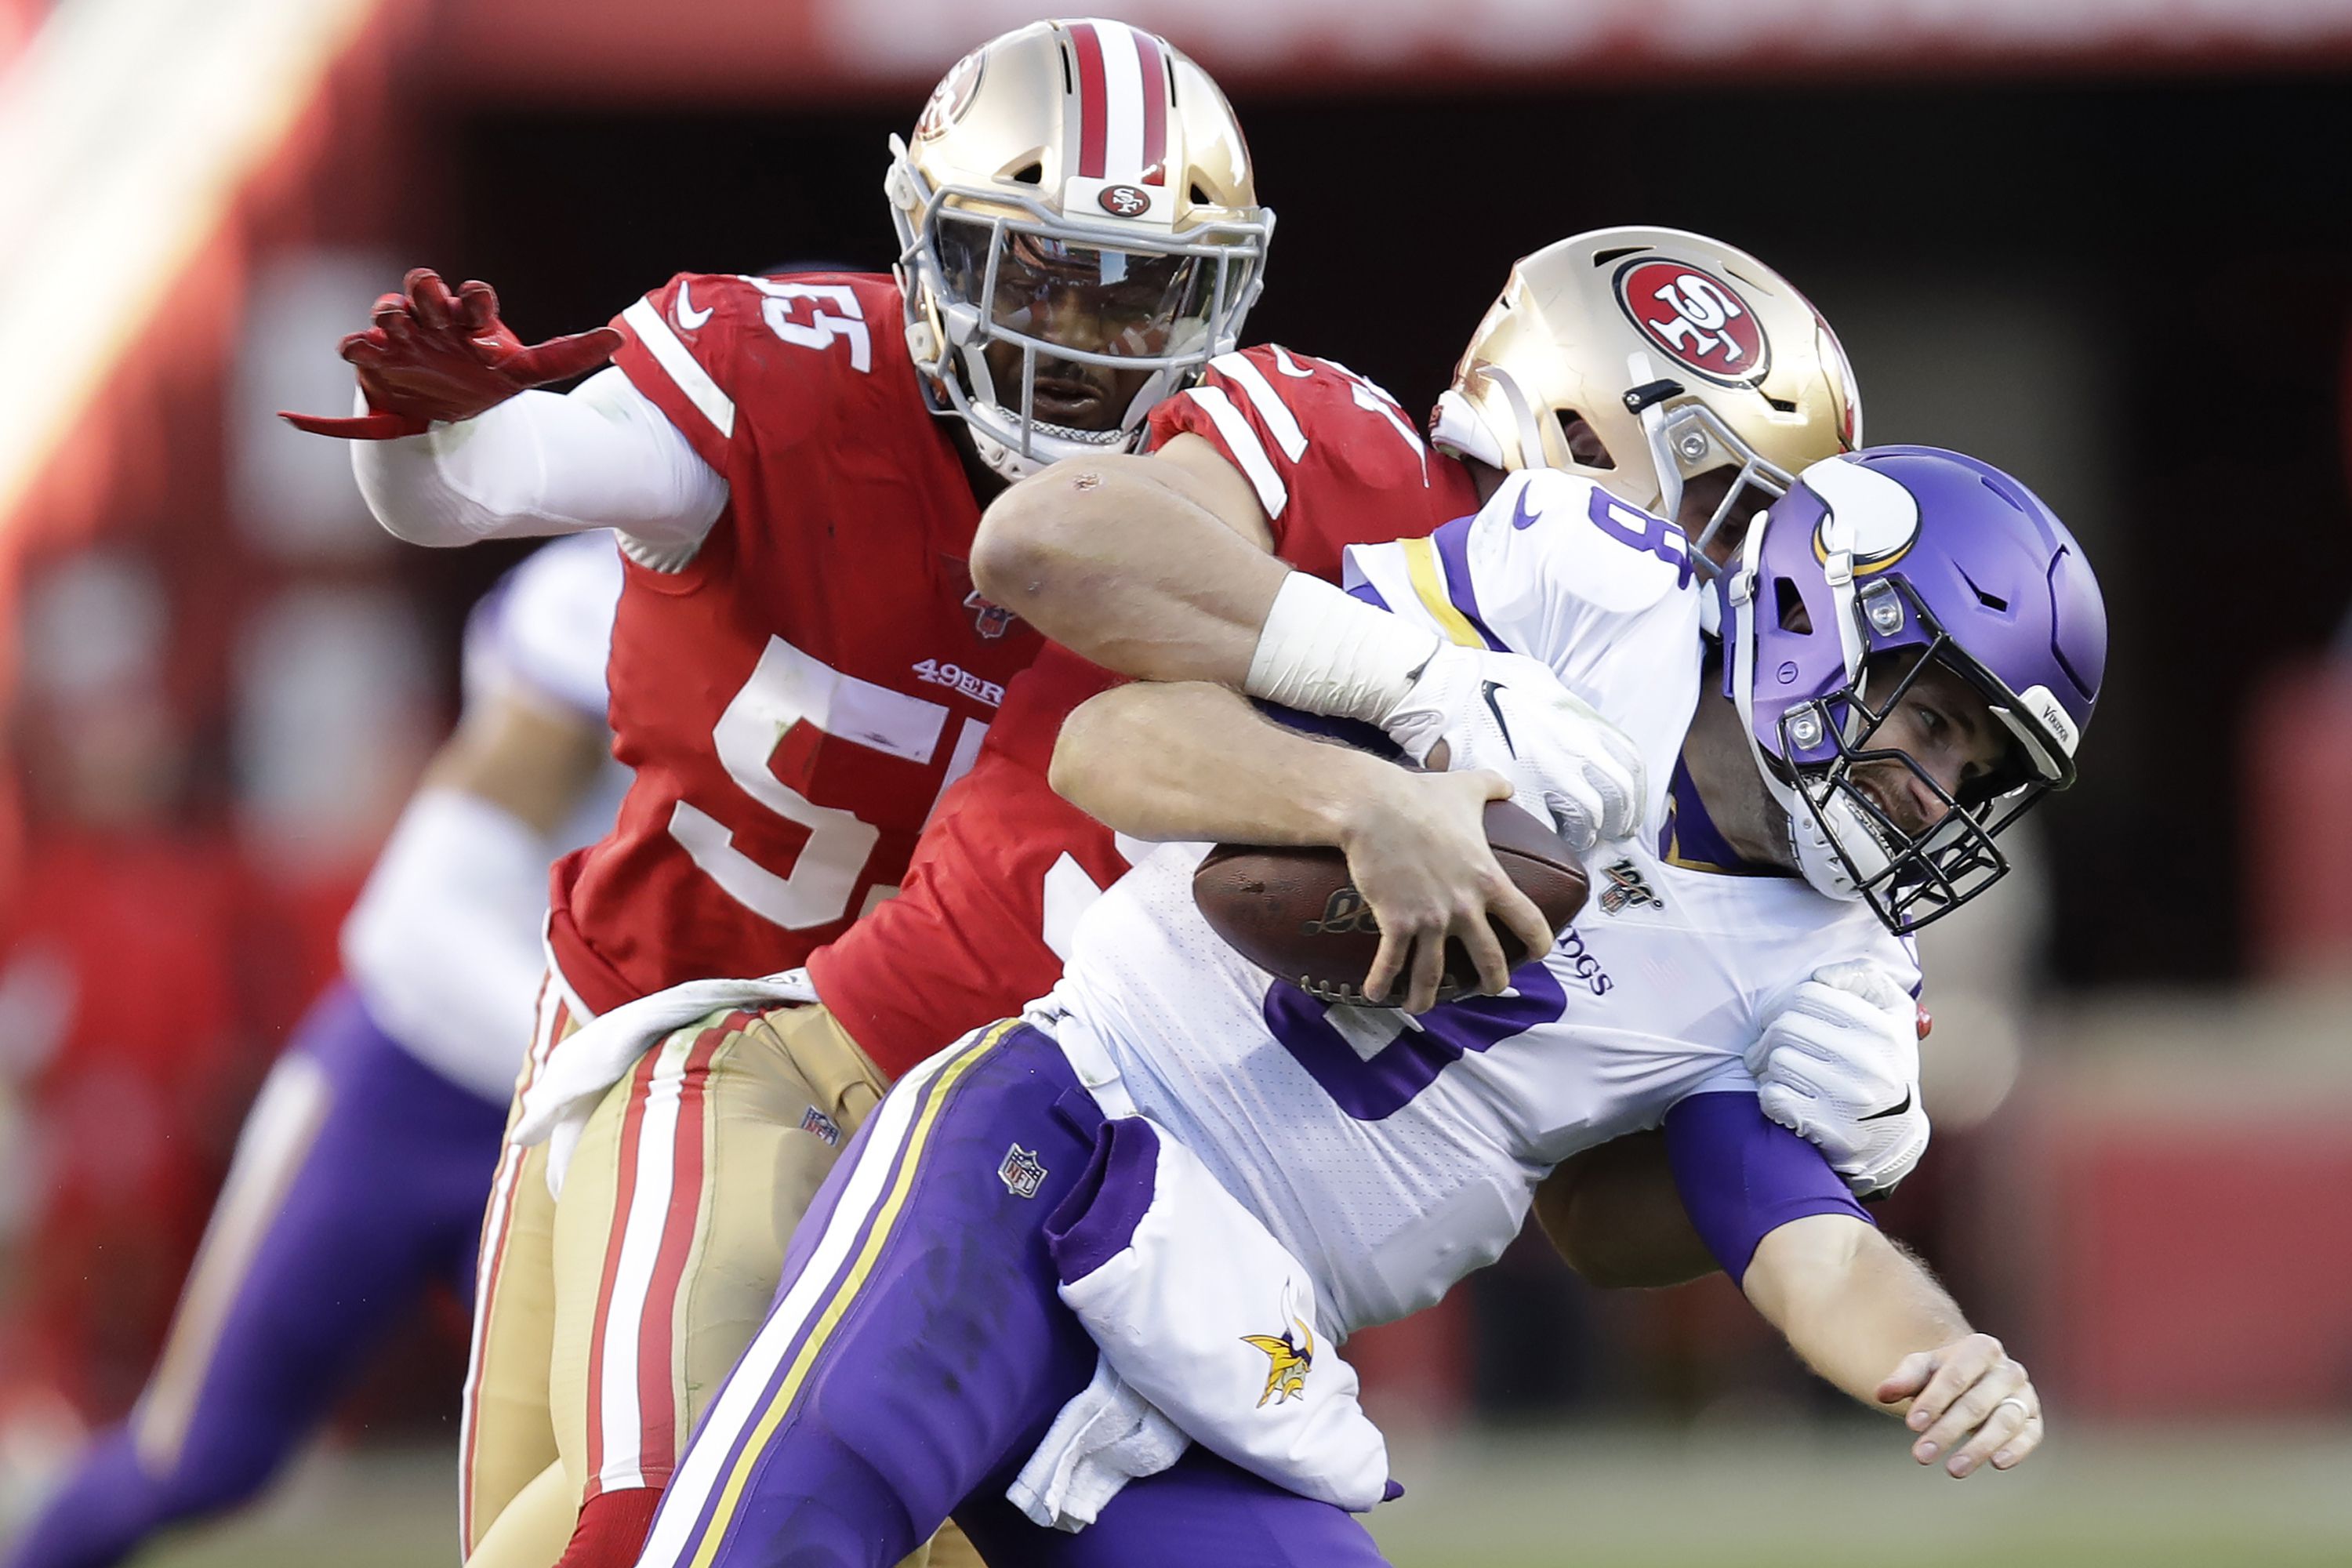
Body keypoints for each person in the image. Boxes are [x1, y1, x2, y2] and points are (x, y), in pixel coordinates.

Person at [625, 444, 2105, 1568]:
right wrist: (1379, 773)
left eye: (1974, 774)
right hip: (1069, 1126)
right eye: (1929, 719)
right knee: (794, 1519)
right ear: (1814, 603)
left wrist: (1941, 1347)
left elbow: (1792, 1239)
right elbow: (1112, 740)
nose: (1932, 791)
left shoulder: (1834, 966)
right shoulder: (1592, 606)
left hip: (1253, 1335)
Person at [283, 21, 1274, 1568]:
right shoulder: (792, 378)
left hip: (962, 1117)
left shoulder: (1234, 504)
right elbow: (478, 477)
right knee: (579, 1525)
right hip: (663, 1029)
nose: (1085, 335)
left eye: (1138, 288)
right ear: (934, 249)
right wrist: (426, 436)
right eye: (1040, 274)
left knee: (682, 1525)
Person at [2, 534, 626, 1568]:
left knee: (619, 1474)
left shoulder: (862, 620)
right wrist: (629, 1039)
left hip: (573, 1119)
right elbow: (420, 914)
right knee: (200, 1456)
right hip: (412, 1084)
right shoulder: (609, 601)